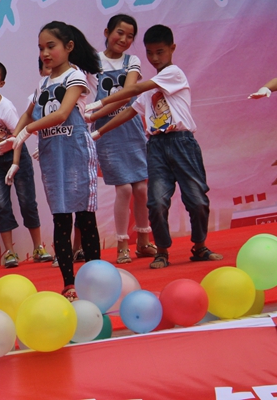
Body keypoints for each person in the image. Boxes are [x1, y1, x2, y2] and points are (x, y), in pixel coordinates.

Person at [87, 24, 222, 269]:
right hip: (157, 147)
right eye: (150, 53)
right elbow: (129, 111)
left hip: (182, 143)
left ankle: (200, 246)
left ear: (172, 48)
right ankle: (161, 251)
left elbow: (135, 88)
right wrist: (98, 131)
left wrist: (102, 102)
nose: (155, 58)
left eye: (160, 52)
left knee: (197, 200)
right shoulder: (150, 91)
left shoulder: (173, 74)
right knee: (156, 202)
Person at [12, 22, 102, 301]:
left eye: (51, 46)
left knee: (84, 217)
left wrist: (28, 130)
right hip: (53, 157)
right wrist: (13, 139)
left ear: (69, 47)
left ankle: (96, 282)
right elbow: (28, 114)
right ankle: (69, 283)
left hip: (76, 153)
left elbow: (62, 114)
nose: (45, 53)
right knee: (61, 219)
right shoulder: (42, 83)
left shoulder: (75, 76)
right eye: (41, 48)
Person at [84, 15, 155, 264]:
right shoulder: (92, 62)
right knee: (124, 189)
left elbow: (127, 96)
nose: (124, 39)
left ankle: (144, 241)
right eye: (119, 33)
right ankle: (122, 244)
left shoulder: (132, 61)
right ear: (107, 32)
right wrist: (89, 117)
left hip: (131, 128)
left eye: (130, 36)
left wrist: (94, 113)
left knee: (142, 188)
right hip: (107, 133)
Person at [0, 60, 50, 268]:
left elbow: (17, 136)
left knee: (27, 202)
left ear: (1, 83)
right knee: (1, 205)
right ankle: (10, 252)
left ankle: (38, 248)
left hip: (16, 156)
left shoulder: (5, 107)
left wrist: (15, 163)